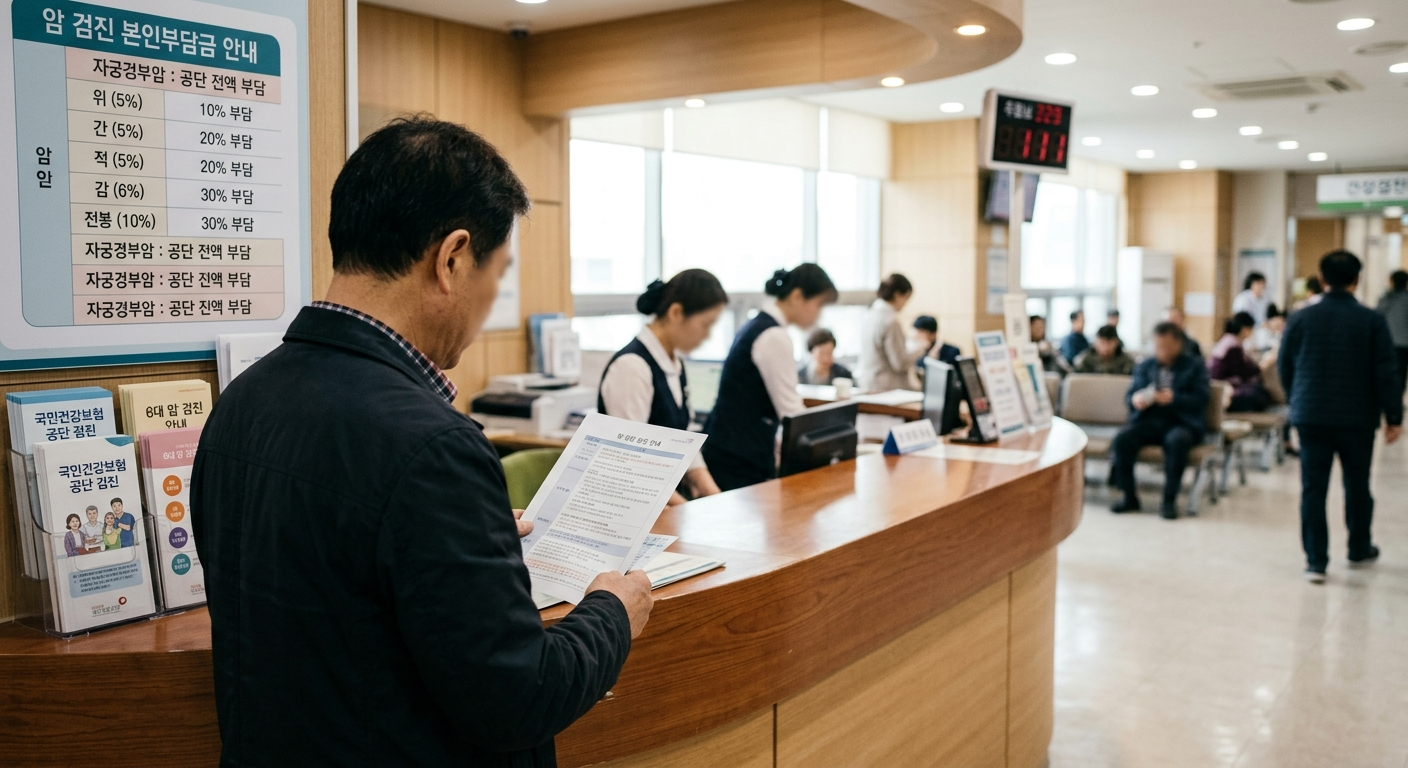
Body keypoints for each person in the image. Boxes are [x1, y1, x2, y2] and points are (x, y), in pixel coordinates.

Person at [190, 118, 651, 765]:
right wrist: (611, 610)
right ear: (453, 258)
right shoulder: (431, 446)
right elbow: (519, 698)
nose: (492, 300)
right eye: (499, 272)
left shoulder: (242, 402)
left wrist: (465, 539)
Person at [1279, 250, 1403, 583]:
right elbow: (1386, 371)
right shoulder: (1372, 319)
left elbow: (1284, 365)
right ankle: (1359, 548)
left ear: (1321, 280)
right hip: (1357, 418)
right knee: (1358, 486)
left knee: (1313, 489)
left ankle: (1316, 562)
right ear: (1356, 280)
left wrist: (1297, 399)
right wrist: (1394, 415)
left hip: (1311, 416)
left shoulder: (1300, 318)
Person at [703, 264, 837, 491]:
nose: (819, 315)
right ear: (797, 296)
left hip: (726, 448)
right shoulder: (773, 335)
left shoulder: (758, 325)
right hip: (738, 458)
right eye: (818, 305)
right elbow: (791, 410)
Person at [600, 270, 728, 506]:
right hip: (630, 507)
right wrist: (686, 509)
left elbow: (685, 439)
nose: (707, 336)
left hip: (665, 503)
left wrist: (714, 496)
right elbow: (633, 461)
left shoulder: (674, 363)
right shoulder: (632, 367)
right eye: (705, 324)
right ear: (676, 313)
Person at [1110, 323, 1210, 519]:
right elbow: (1130, 395)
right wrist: (1136, 399)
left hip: (1181, 421)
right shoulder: (1145, 366)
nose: (1160, 351)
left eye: (1164, 346)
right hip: (1149, 418)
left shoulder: (1195, 366)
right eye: (1157, 346)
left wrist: (1175, 397)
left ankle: (1169, 501)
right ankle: (1129, 496)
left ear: (1178, 344)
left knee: (1177, 441)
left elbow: (1202, 398)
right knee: (1122, 439)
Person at [857, 273, 917, 391]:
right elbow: (900, 363)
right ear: (897, 295)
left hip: (868, 382)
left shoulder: (870, 315)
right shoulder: (891, 321)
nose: (906, 304)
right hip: (886, 387)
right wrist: (918, 350)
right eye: (906, 298)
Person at [1209, 312, 1270, 412]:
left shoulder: (1230, 341)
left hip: (1226, 384)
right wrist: (1261, 366)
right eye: (1251, 329)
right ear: (1244, 329)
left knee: (1260, 391)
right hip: (1223, 387)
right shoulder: (1232, 346)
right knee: (1258, 394)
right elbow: (1241, 372)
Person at [1375, 269, 1408, 404]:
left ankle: (1386, 401)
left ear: (1392, 281)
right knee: (1400, 375)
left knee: (1385, 373)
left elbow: (1377, 316)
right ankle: (1396, 402)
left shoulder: (1385, 298)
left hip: (1386, 343)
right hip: (1404, 345)